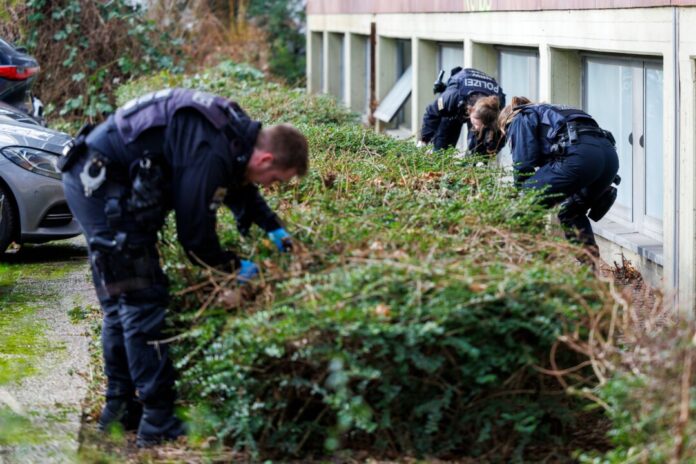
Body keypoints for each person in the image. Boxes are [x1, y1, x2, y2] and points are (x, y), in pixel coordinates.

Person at [59, 88, 309, 447]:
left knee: (123, 304)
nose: (270, 186)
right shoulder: (211, 146)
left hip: (101, 179)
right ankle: (157, 421)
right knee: (142, 300)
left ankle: (119, 411)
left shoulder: (234, 131)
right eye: (276, 180)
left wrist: (272, 226)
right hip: (98, 188)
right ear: (267, 158)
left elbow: (237, 182)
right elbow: (195, 236)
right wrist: (233, 267)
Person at [497, 96, 620, 257]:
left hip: (579, 158)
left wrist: (521, 195)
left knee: (524, 204)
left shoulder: (520, 116)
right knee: (571, 211)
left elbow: (524, 164)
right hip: (609, 160)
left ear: (507, 122)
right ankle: (590, 273)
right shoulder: (554, 110)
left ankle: (526, 265)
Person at [420, 67, 506, 154]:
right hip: (456, 106)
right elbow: (431, 112)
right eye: (476, 124)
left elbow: (501, 138)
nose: (477, 127)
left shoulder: (497, 108)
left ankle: (473, 160)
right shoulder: (453, 96)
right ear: (471, 110)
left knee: (477, 150)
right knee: (442, 148)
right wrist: (424, 140)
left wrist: (486, 154)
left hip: (482, 109)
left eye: (481, 125)